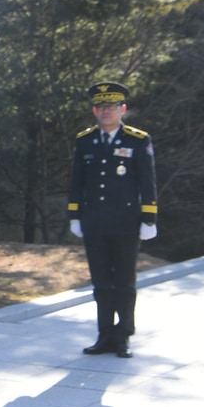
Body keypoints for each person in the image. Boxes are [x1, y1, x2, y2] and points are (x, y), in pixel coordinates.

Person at [68, 81, 157, 358]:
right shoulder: (85, 140)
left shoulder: (137, 140)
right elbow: (77, 182)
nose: (106, 111)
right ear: (95, 110)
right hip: (94, 221)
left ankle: (124, 335)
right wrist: (74, 215)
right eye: (101, 107)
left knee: (125, 283)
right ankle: (104, 333)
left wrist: (149, 218)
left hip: (126, 222)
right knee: (101, 282)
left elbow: (147, 181)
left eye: (112, 107)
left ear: (123, 109)